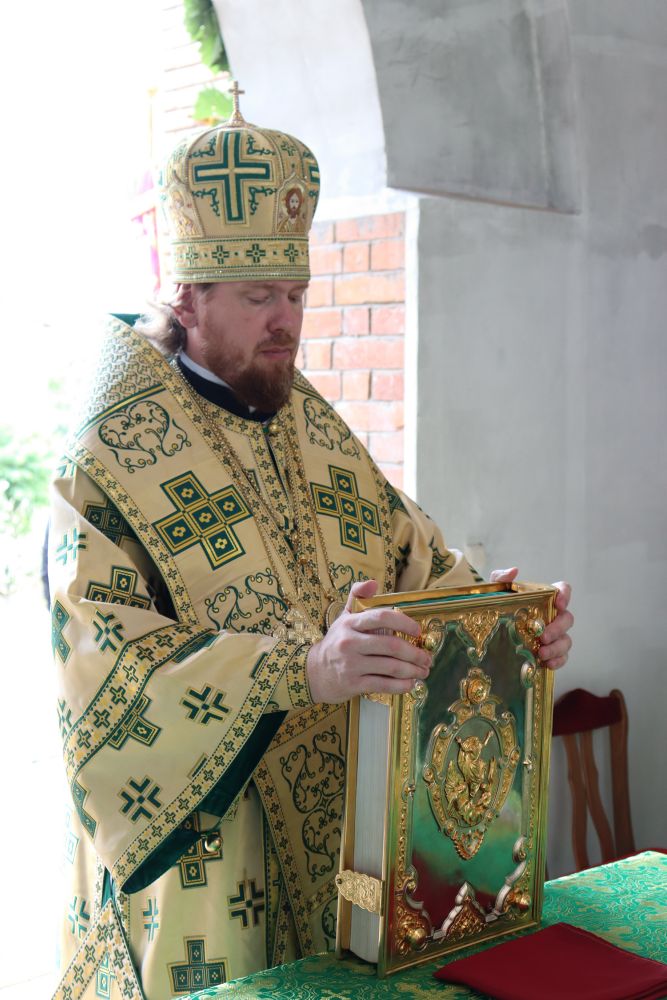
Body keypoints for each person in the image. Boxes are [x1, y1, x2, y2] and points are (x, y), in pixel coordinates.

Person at [49, 90, 573, 999]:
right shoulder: (107, 459)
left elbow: (415, 566)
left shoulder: (310, 425)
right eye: (258, 298)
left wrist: (503, 623)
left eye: (294, 295)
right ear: (188, 296)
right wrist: (302, 672)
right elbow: (102, 677)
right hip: (211, 866)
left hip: (343, 846)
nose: (285, 321)